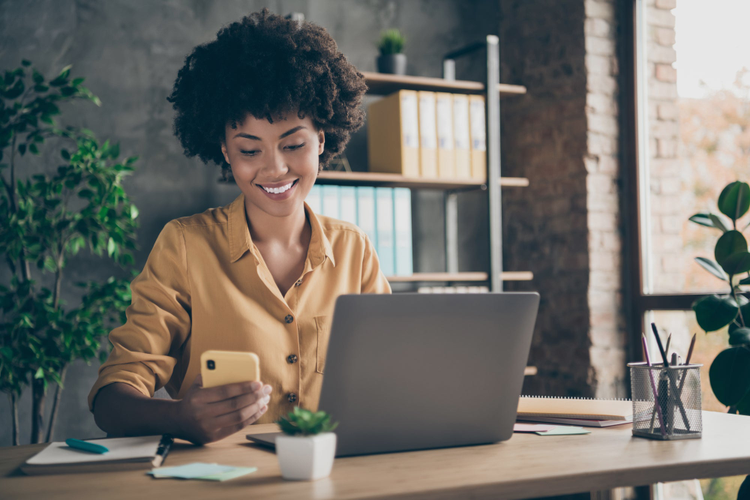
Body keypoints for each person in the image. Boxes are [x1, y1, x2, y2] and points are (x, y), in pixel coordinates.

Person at [89, 9, 391, 445]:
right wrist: (179, 418)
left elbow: (390, 377)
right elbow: (111, 402)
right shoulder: (186, 246)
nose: (276, 168)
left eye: (294, 144)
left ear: (321, 140)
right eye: (250, 150)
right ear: (225, 152)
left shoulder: (354, 250)